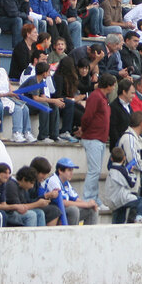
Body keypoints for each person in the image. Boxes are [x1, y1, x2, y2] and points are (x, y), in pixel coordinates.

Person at [80, 72, 115, 208]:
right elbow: (87, 116)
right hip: (92, 137)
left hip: (100, 138)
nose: (114, 88)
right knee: (94, 170)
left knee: (97, 170)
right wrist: (84, 130)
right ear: (108, 85)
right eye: (113, 85)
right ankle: (88, 198)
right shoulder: (96, 97)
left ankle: (94, 198)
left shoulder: (103, 98)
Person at [42, 156, 98, 225]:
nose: (72, 173)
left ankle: (89, 232)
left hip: (62, 210)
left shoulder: (66, 182)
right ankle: (71, 232)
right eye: (69, 170)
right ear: (60, 171)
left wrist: (90, 204)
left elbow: (75, 199)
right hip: (52, 214)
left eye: (72, 170)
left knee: (92, 210)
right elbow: (62, 202)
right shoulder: (53, 180)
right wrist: (86, 204)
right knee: (73, 210)